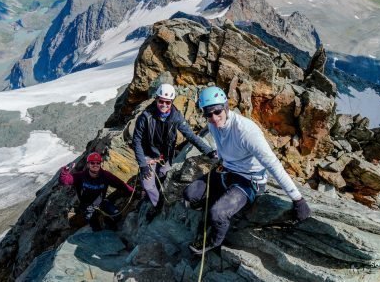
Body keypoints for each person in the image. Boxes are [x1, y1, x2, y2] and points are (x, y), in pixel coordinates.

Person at [183, 86, 311, 254]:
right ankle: (213, 205)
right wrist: (221, 158)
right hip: (227, 170)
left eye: (217, 111)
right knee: (189, 194)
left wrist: (298, 200)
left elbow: (273, 164)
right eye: (208, 113)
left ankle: (214, 243)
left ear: (226, 107)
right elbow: (223, 145)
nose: (214, 118)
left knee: (218, 213)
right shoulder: (214, 125)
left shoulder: (246, 132)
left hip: (249, 180)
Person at [132, 83, 216, 220]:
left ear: (171, 102)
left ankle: (155, 199)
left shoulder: (176, 117)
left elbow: (191, 136)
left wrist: (208, 151)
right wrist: (142, 164)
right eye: (161, 101)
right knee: (148, 184)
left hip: (166, 156)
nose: (164, 105)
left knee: (164, 176)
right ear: (156, 99)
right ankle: (156, 205)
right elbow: (136, 141)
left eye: (167, 102)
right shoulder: (145, 117)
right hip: (149, 155)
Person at [60, 152, 134, 231]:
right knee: (95, 226)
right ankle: (97, 229)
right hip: (87, 206)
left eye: (98, 163)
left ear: (100, 164)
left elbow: (121, 184)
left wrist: (134, 192)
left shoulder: (105, 176)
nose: (95, 165)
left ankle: (108, 223)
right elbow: (64, 181)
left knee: (117, 215)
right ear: (88, 164)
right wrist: (64, 172)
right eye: (92, 163)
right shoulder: (81, 176)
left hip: (102, 203)